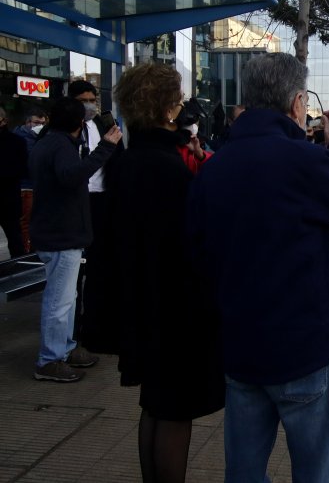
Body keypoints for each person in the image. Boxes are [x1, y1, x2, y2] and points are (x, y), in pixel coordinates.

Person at [186, 52, 329, 482]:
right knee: (314, 470)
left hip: (241, 349)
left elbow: (198, 256)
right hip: (304, 348)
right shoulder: (303, 162)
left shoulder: (214, 170)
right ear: (296, 104)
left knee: (243, 471)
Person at [108, 61, 224, 483]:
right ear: (168, 108)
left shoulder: (128, 160)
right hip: (177, 307)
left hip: (141, 302)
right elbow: (192, 241)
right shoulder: (168, 167)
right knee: (176, 411)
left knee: (154, 404)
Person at [29, 97, 121, 382]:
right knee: (60, 300)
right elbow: (72, 176)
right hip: (61, 233)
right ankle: (50, 358)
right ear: (79, 123)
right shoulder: (60, 146)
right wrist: (105, 148)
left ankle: (64, 350)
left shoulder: (49, 143)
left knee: (65, 299)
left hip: (58, 231)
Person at [68, 80, 120, 355]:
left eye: (92, 99)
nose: (89, 104)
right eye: (83, 100)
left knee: (99, 267)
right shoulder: (62, 131)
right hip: (75, 202)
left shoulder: (101, 125)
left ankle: (93, 325)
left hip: (101, 201)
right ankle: (72, 328)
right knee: (73, 272)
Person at [14, 106, 48, 253]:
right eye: (36, 122)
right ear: (28, 123)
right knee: (26, 222)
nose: (39, 126)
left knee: (34, 221)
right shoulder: (21, 138)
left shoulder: (41, 138)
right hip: (26, 186)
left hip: (35, 186)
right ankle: (26, 251)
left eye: (43, 123)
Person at [0, 107, 27, 258]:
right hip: (9, 197)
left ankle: (19, 270)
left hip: (8, 198)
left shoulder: (16, 142)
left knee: (15, 239)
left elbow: (21, 168)